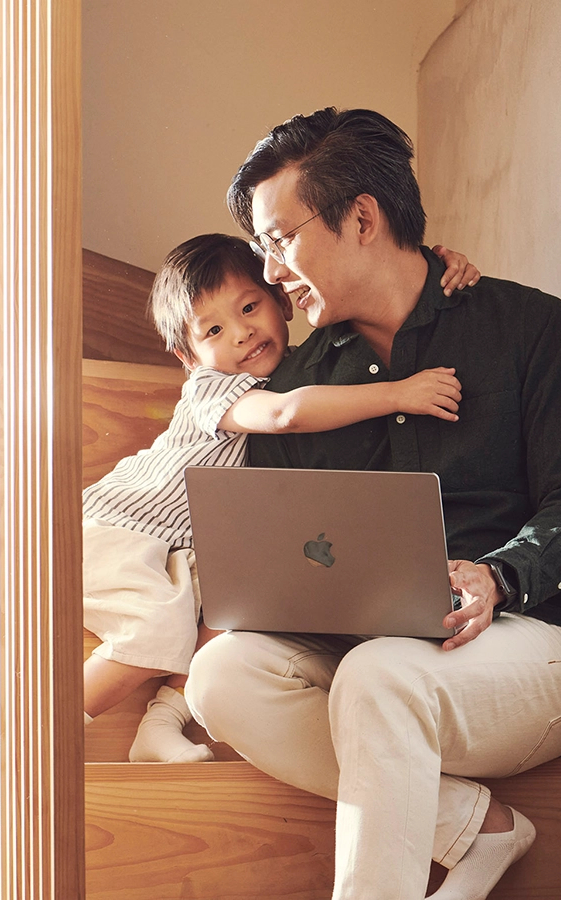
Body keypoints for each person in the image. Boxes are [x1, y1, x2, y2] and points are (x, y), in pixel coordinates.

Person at [185, 107, 561, 900]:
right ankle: (473, 827)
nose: (270, 273)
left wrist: (498, 578)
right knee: (219, 676)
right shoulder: (293, 390)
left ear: (362, 217)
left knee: (379, 676)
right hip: (371, 666)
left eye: (279, 240)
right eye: (261, 248)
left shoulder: (526, 327)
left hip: (532, 646)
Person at [82, 232, 478, 764]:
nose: (243, 333)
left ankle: (160, 725)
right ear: (188, 354)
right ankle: (43, 727)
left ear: (282, 300)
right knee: (156, 626)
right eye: (215, 329)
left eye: (250, 307)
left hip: (184, 551)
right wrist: (398, 394)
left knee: (234, 609)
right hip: (119, 529)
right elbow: (284, 414)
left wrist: (437, 265)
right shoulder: (211, 387)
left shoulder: (301, 370)